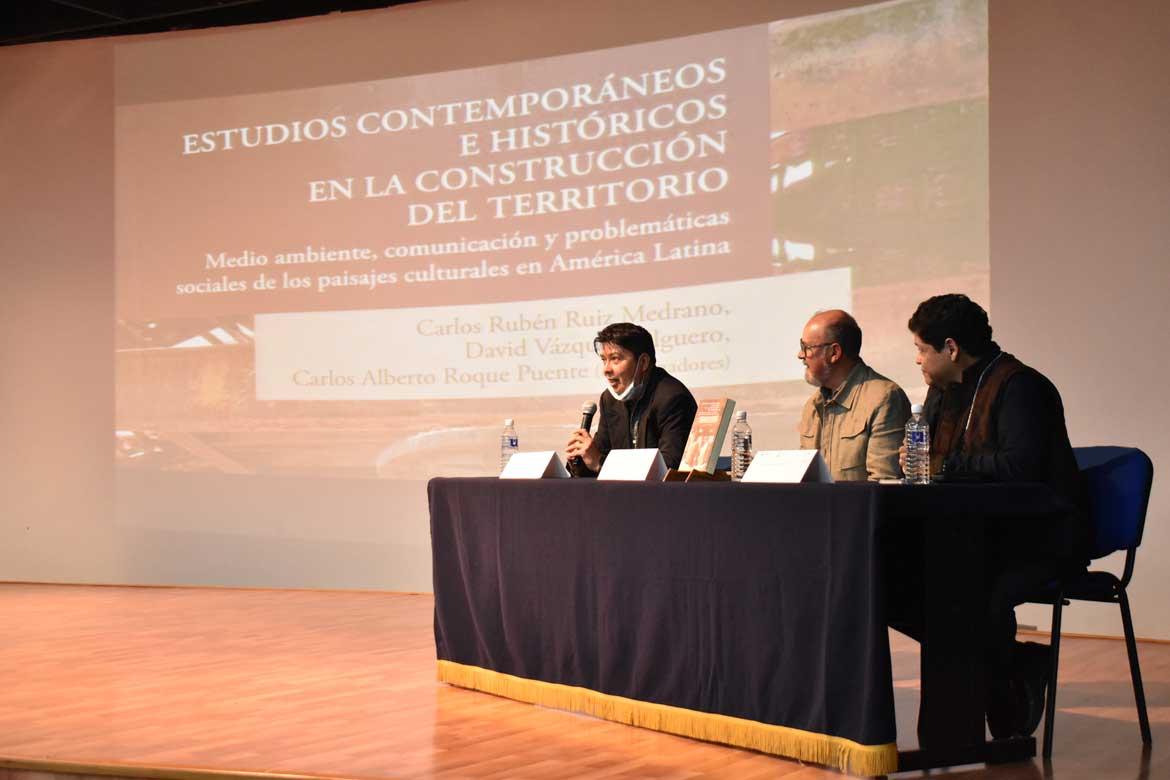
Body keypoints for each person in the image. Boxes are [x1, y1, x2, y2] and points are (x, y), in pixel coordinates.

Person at [894, 293, 1090, 739]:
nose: (917, 361)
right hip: (968, 533)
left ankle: (976, 717)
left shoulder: (1023, 387)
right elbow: (942, 464)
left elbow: (1020, 469)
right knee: (891, 578)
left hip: (1037, 538)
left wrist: (945, 467)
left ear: (951, 348)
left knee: (963, 593)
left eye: (921, 350)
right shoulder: (942, 393)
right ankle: (1014, 668)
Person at [565, 322, 697, 476]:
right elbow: (598, 459)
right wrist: (581, 460)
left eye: (615, 359)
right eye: (603, 360)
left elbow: (669, 469)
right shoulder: (609, 400)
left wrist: (599, 462)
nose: (606, 369)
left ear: (643, 363)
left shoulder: (672, 398)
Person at [797, 309, 911, 481]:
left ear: (834, 353)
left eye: (806, 348)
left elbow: (883, 485)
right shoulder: (812, 405)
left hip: (858, 508)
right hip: (819, 507)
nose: (800, 355)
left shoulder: (884, 398)